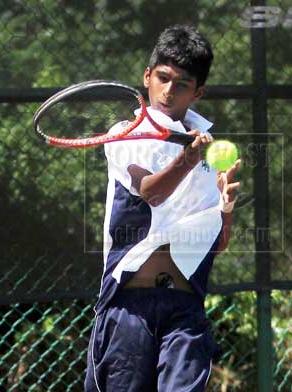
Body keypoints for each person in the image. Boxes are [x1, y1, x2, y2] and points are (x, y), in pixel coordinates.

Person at [85, 25, 241, 392]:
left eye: (182, 83)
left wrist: (226, 205)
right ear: (147, 77)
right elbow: (151, 192)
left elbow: (216, 244)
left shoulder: (208, 147)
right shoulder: (125, 135)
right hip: (129, 307)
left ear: (198, 91)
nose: (169, 90)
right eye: (163, 78)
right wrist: (186, 161)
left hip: (185, 306)